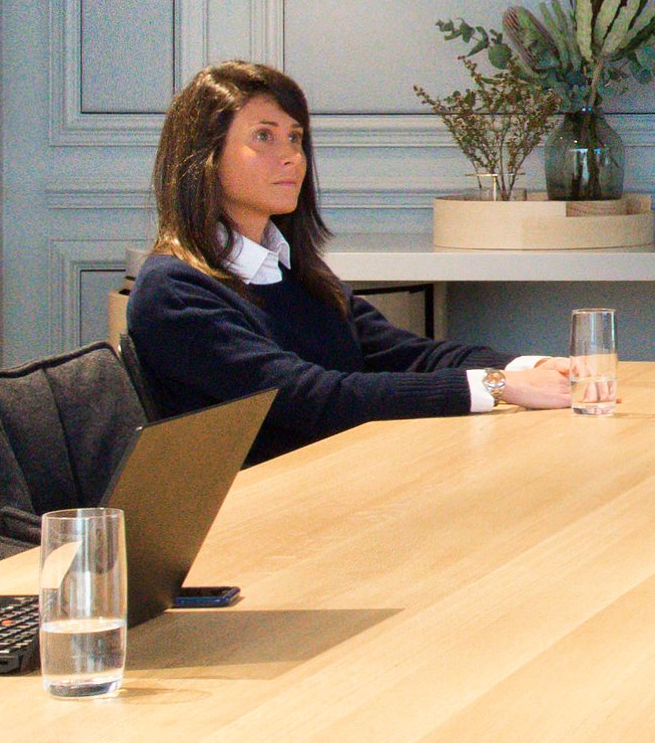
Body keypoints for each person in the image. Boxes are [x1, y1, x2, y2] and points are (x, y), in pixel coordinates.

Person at [128, 60, 577, 461]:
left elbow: (405, 354)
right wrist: (498, 387)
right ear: (203, 157)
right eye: (263, 136)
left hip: (337, 486)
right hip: (251, 522)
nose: (291, 156)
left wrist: (530, 367)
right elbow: (317, 399)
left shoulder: (291, 270)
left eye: (295, 137)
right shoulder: (173, 290)